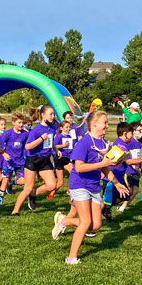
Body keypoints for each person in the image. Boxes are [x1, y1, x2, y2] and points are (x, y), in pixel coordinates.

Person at [50, 111, 127, 264]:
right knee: (85, 222)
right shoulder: (84, 142)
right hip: (79, 185)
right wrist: (102, 164)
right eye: (104, 122)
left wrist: (117, 184)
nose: (107, 125)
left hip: (94, 187)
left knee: (96, 224)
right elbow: (78, 167)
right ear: (94, 124)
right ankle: (71, 258)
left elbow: (105, 169)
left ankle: (64, 221)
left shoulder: (104, 144)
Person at [11, 105, 58, 215]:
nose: (53, 116)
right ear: (42, 115)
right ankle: (15, 210)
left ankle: (34, 194)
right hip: (33, 159)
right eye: (50, 114)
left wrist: (55, 149)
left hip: (45, 160)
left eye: (53, 114)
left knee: (52, 185)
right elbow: (27, 147)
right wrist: (41, 139)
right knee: (27, 187)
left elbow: (50, 140)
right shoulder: (36, 130)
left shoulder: (52, 127)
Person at [0, 112, 29, 207]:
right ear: (13, 122)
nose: (21, 125)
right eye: (19, 122)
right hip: (9, 161)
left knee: (23, 181)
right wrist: (4, 154)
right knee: (4, 180)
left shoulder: (25, 134)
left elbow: (31, 142)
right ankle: (0, 200)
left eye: (22, 123)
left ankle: (12, 182)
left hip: (20, 162)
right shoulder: (7, 134)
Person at [51, 120, 74, 199]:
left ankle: (70, 189)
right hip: (60, 159)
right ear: (61, 128)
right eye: (66, 127)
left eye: (69, 127)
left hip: (67, 159)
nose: (68, 129)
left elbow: (71, 148)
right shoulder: (59, 136)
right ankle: (51, 194)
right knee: (60, 182)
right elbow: (54, 146)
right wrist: (63, 145)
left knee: (74, 173)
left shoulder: (69, 137)